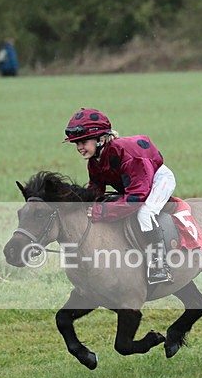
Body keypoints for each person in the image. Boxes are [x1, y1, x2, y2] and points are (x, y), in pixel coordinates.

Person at [63, 108, 176, 284]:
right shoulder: (95, 160)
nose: (79, 148)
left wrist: (102, 212)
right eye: (76, 143)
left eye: (83, 142)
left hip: (157, 180)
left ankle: (159, 265)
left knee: (145, 212)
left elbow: (137, 197)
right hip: (133, 183)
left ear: (101, 139)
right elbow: (95, 191)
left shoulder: (126, 155)